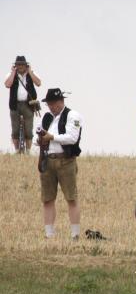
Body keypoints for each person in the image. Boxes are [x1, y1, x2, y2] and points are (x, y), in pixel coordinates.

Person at [35, 88, 83, 239]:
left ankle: (75, 235)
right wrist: (40, 140)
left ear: (61, 101)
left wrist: (51, 137)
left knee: (71, 198)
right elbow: (43, 137)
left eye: (53, 103)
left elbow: (72, 138)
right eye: (49, 104)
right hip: (48, 159)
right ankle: (49, 235)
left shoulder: (72, 115)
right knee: (47, 199)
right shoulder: (47, 117)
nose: (51, 107)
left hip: (66, 160)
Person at [5, 55, 42, 153]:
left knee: (29, 130)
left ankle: (28, 151)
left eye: (22, 64)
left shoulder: (31, 73)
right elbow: (7, 84)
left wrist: (30, 71)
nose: (20, 66)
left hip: (28, 104)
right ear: (15, 65)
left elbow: (38, 83)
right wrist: (13, 72)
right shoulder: (11, 74)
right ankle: (17, 150)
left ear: (26, 65)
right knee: (15, 130)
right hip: (14, 104)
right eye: (18, 65)